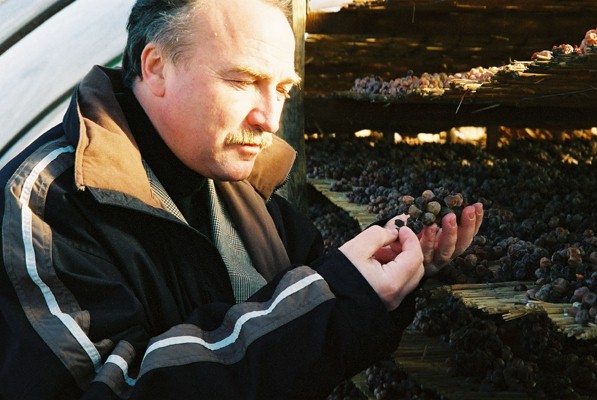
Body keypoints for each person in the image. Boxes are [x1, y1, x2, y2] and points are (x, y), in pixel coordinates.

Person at [0, 0, 483, 398]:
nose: (271, 120)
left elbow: (310, 310)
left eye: (282, 89)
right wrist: (336, 296)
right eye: (243, 81)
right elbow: (112, 388)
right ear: (156, 68)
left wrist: (388, 278)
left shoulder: (241, 185)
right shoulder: (45, 206)